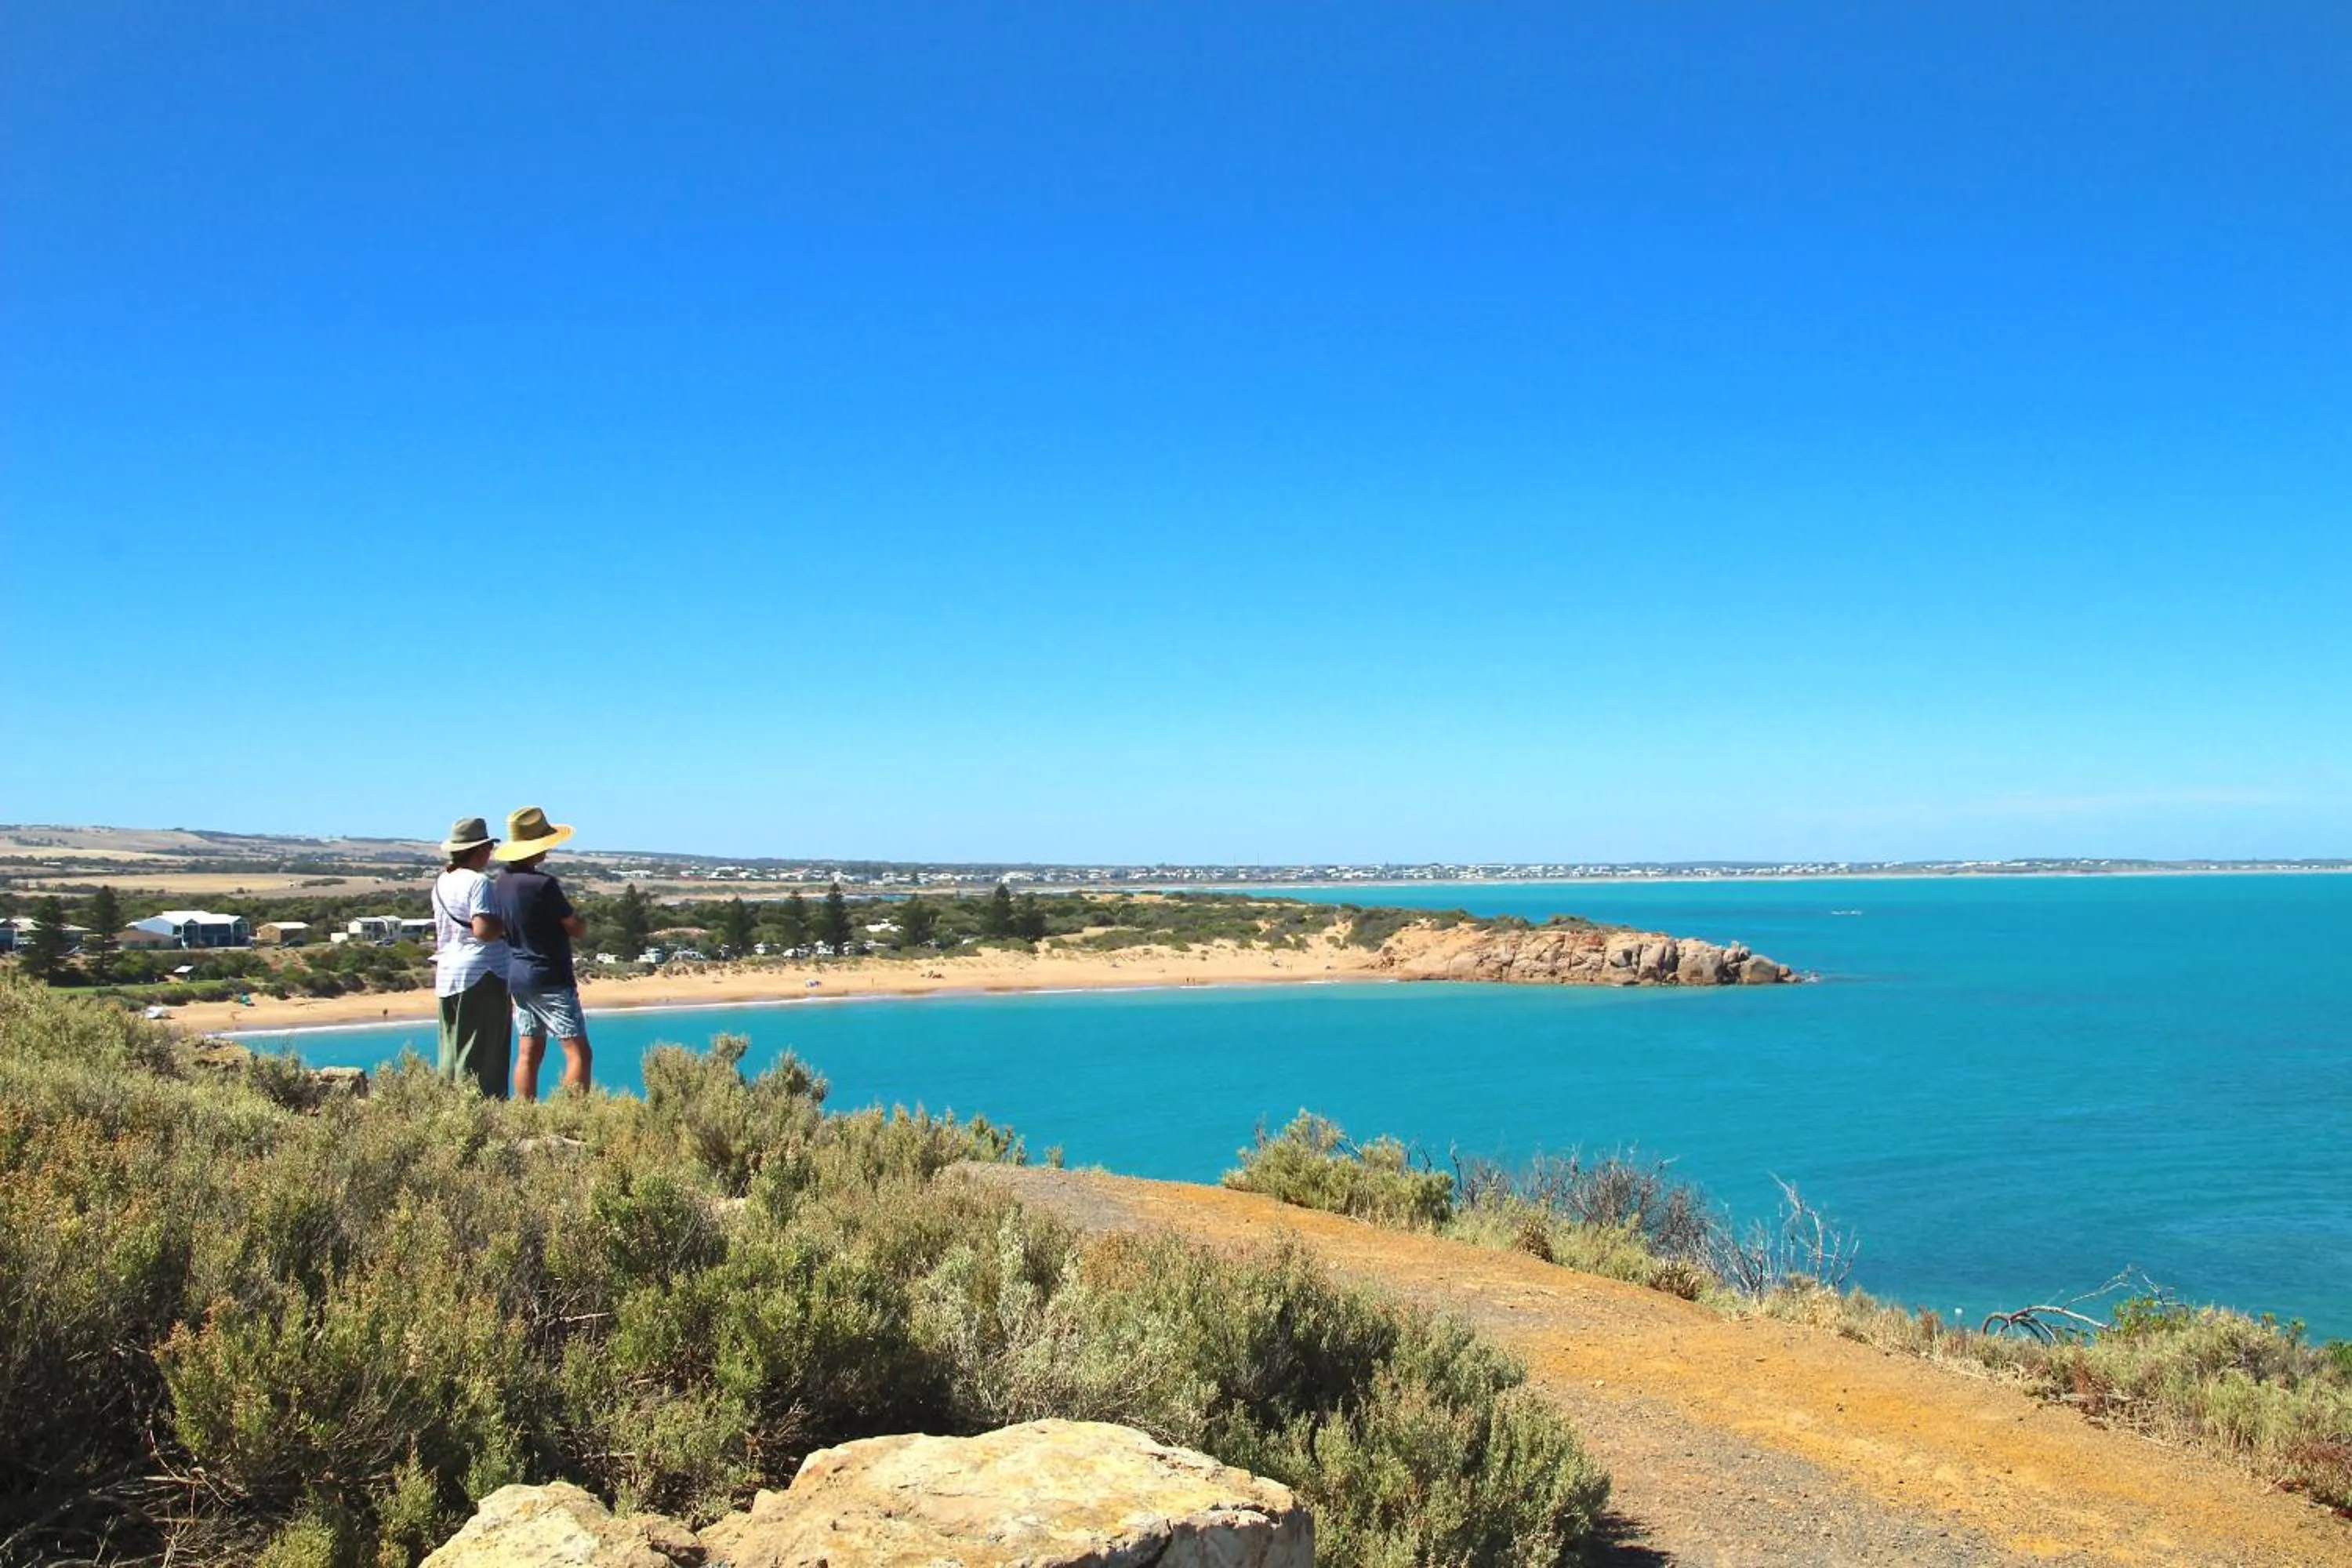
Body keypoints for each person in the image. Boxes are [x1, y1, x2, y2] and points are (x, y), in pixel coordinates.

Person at [490, 804, 591, 1099]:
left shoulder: (502, 882)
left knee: (528, 1051)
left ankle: (525, 1113)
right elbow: (574, 926)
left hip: (518, 975)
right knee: (578, 1052)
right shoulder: (543, 885)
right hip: (550, 976)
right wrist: (582, 923)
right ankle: (572, 1116)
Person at [432, 816, 511, 1096]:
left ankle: (448, 1109)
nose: (490, 854)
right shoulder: (479, 883)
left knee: (452, 1049)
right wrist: (510, 923)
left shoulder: (442, 881)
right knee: (483, 1054)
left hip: (448, 974)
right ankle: (482, 1114)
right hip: (483, 973)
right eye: (488, 848)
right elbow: (483, 930)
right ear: (479, 850)